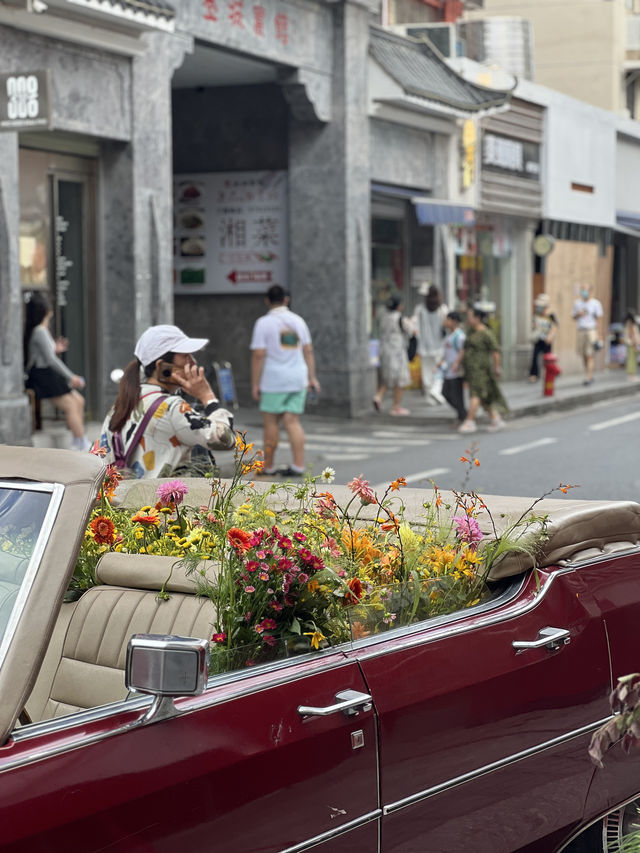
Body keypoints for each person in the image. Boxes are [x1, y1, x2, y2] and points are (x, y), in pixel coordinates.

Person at [97, 324, 235, 478]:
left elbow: (99, 456)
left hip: (131, 499)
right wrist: (207, 397)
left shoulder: (121, 403)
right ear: (161, 366)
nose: (193, 362)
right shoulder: (172, 407)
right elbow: (225, 439)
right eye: (185, 356)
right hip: (163, 501)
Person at [250, 284, 320, 477]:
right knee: (292, 421)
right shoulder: (298, 321)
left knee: (271, 423)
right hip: (298, 377)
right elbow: (308, 350)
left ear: (267, 301)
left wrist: (255, 383)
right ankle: (298, 465)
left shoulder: (263, 323)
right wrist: (312, 378)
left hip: (274, 380)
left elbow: (258, 355)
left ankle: (269, 466)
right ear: (286, 300)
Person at [23, 291, 90, 451]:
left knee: (78, 401)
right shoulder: (40, 330)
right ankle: (81, 442)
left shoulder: (40, 330)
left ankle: (77, 440)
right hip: (43, 375)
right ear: (45, 310)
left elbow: (47, 354)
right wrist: (71, 376)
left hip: (46, 373)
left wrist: (56, 348)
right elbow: (50, 360)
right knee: (71, 405)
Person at [458, 306, 507, 434]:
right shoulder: (470, 332)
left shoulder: (486, 333)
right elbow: (464, 349)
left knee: (476, 394)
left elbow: (496, 351)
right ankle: (495, 418)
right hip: (471, 369)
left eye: (470, 317)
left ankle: (470, 421)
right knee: (484, 395)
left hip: (481, 369)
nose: (468, 319)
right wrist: (458, 363)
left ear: (478, 318)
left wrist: (497, 367)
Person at [373, 296, 413, 416]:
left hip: (385, 351)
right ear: (399, 305)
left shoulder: (383, 317)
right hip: (397, 352)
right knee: (400, 379)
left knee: (388, 378)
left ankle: (378, 397)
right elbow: (411, 330)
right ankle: (396, 406)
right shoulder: (400, 318)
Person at [412, 283, 448, 404]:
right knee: (439, 370)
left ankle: (429, 396)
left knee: (426, 371)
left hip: (424, 346)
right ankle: (436, 390)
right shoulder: (443, 309)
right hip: (439, 346)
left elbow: (414, 327)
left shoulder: (419, 309)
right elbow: (447, 327)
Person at [438, 311, 467, 426]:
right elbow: (447, 352)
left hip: (456, 371)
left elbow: (462, 351)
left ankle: (462, 416)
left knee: (456, 395)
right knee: (446, 393)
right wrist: (440, 362)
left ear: (454, 321)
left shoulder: (460, 336)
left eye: (447, 319)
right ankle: (463, 414)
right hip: (448, 370)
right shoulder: (450, 335)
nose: (445, 322)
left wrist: (456, 363)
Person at [572, 284, 603, 386]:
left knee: (590, 355)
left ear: (590, 291)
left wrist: (599, 335)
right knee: (584, 355)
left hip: (591, 331)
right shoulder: (577, 303)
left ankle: (588, 377)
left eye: (586, 290)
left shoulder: (595, 304)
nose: (584, 292)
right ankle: (589, 373)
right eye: (582, 290)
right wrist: (578, 314)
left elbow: (599, 320)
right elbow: (573, 316)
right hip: (581, 330)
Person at [529, 293, 558, 382]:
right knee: (535, 357)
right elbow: (534, 327)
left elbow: (554, 328)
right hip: (538, 340)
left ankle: (550, 373)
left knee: (548, 359)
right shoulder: (536, 315)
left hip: (547, 341)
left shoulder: (551, 316)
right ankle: (534, 375)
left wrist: (550, 337)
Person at [624, 311, 639, 379]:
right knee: (632, 359)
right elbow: (633, 335)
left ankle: (631, 374)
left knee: (630, 358)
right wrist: (636, 344)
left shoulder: (627, 324)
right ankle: (631, 375)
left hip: (629, 343)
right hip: (632, 343)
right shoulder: (632, 325)